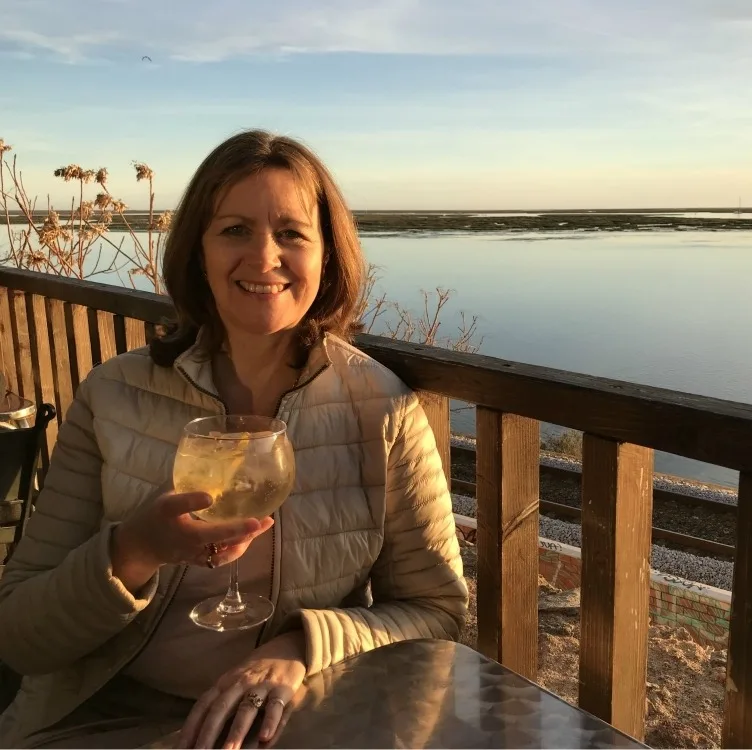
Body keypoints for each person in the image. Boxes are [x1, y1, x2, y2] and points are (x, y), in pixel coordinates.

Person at [0, 129, 468, 749]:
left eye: (292, 233)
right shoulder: (115, 394)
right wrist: (133, 552)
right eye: (234, 230)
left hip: (294, 721)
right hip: (105, 715)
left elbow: (437, 611)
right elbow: (19, 633)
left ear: (328, 255)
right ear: (198, 250)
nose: (264, 257)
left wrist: (304, 646)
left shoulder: (383, 410)